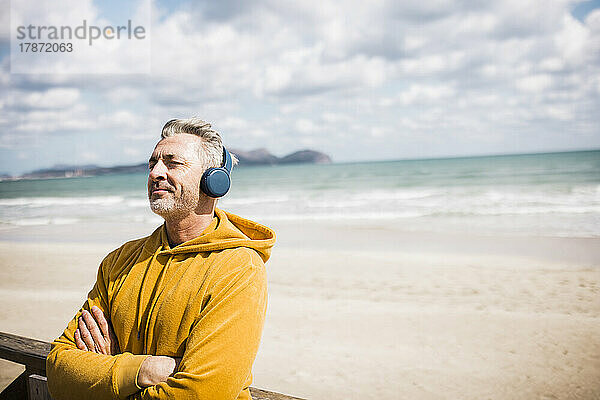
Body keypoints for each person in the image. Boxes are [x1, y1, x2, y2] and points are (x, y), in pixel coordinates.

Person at [46, 118, 276, 400]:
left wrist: (106, 378)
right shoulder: (119, 262)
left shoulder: (238, 268)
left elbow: (203, 393)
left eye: (173, 163)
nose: (156, 172)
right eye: (153, 163)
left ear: (214, 180)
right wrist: (143, 370)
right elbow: (58, 369)